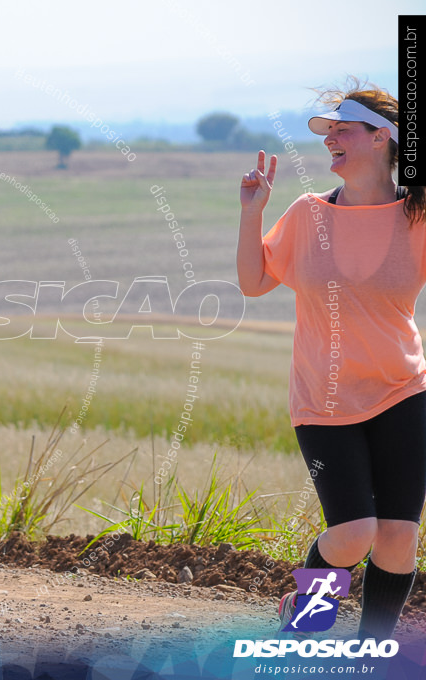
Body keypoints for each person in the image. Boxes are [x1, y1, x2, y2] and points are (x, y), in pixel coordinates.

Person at [237, 79, 425, 641]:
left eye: (344, 129)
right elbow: (253, 282)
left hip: (403, 390)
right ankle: (305, 626)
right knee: (352, 534)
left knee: (397, 537)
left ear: (383, 138)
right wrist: (252, 213)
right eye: (328, 131)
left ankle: (374, 654)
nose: (330, 139)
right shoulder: (307, 213)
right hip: (325, 400)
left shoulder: (418, 216)